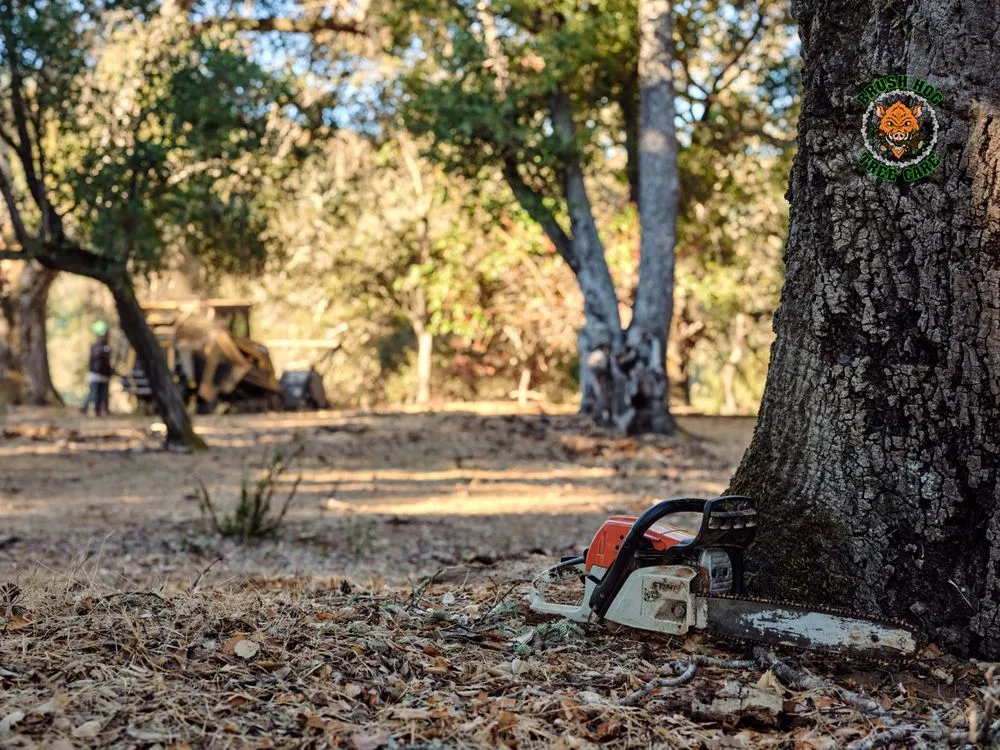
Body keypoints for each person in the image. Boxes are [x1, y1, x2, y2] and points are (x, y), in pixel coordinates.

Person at [81, 321, 112, 416]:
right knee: (94, 394)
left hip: (104, 375)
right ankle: (87, 409)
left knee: (103, 394)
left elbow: (108, 362)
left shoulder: (108, 346)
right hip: (95, 374)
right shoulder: (95, 346)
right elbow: (95, 358)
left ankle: (100, 411)